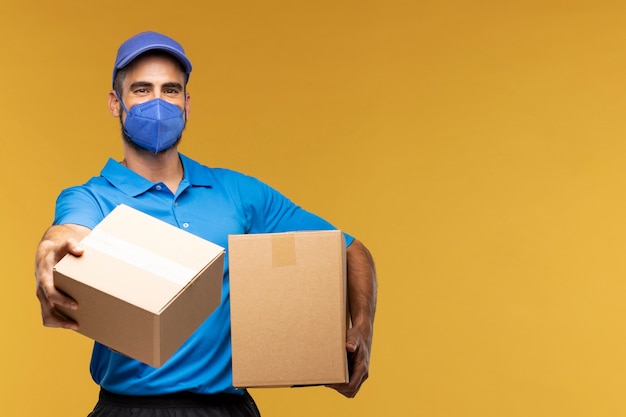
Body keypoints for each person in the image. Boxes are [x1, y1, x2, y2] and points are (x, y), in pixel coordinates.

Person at [34, 31, 377, 417]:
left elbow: (349, 249)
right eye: (142, 90)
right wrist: (52, 253)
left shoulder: (237, 193)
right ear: (116, 103)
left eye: (171, 90)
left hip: (227, 408)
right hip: (129, 409)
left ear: (187, 103)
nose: (158, 104)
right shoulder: (92, 198)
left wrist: (361, 327)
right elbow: (67, 234)